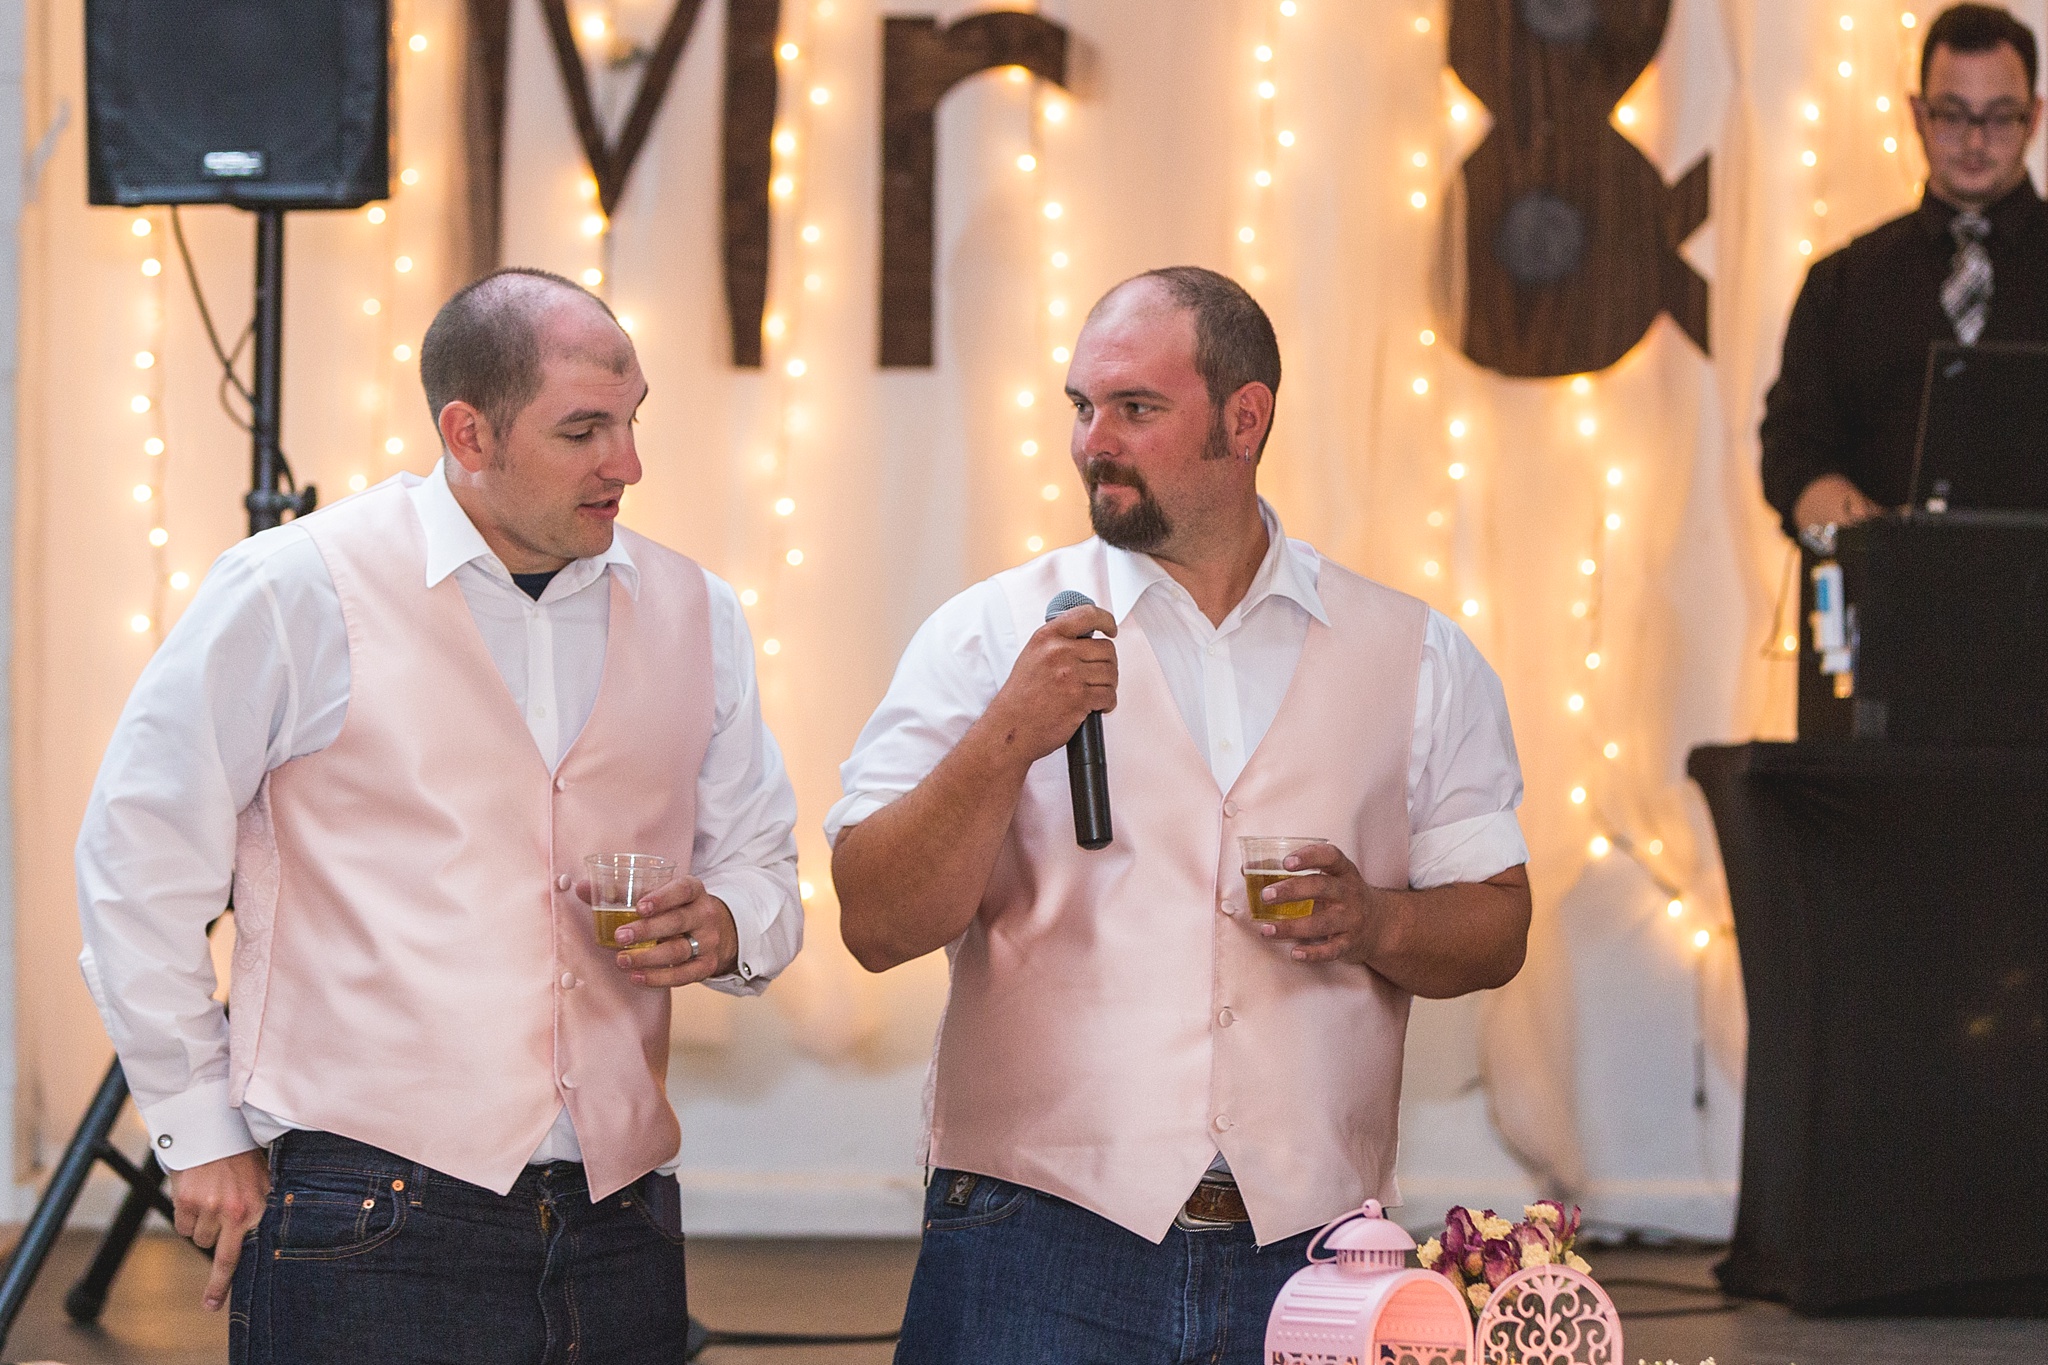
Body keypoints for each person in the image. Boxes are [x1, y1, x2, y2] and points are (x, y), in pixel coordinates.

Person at [75, 268, 803, 1363]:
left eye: (633, 419)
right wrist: (196, 1131)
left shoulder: (697, 610)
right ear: (468, 433)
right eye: (583, 430)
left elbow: (761, 862)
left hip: (623, 1219)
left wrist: (734, 923)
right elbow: (137, 858)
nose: (629, 463)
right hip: (373, 1214)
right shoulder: (295, 588)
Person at [829, 266, 1532, 1363]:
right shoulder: (986, 637)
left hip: (1314, 1256)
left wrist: (1373, 922)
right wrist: (1007, 736)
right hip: (1033, 1239)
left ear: (1242, 419)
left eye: (1134, 409)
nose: (1090, 441)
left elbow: (1498, 924)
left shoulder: (1416, 655)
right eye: (1080, 407)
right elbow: (873, 920)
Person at [1761, 2, 2047, 542]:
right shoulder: (1843, 284)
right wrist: (1892, 555)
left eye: (2000, 116)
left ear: (2034, 117)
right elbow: (1793, 453)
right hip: (1888, 613)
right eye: (1953, 115)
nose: (1975, 142)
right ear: (1917, 114)